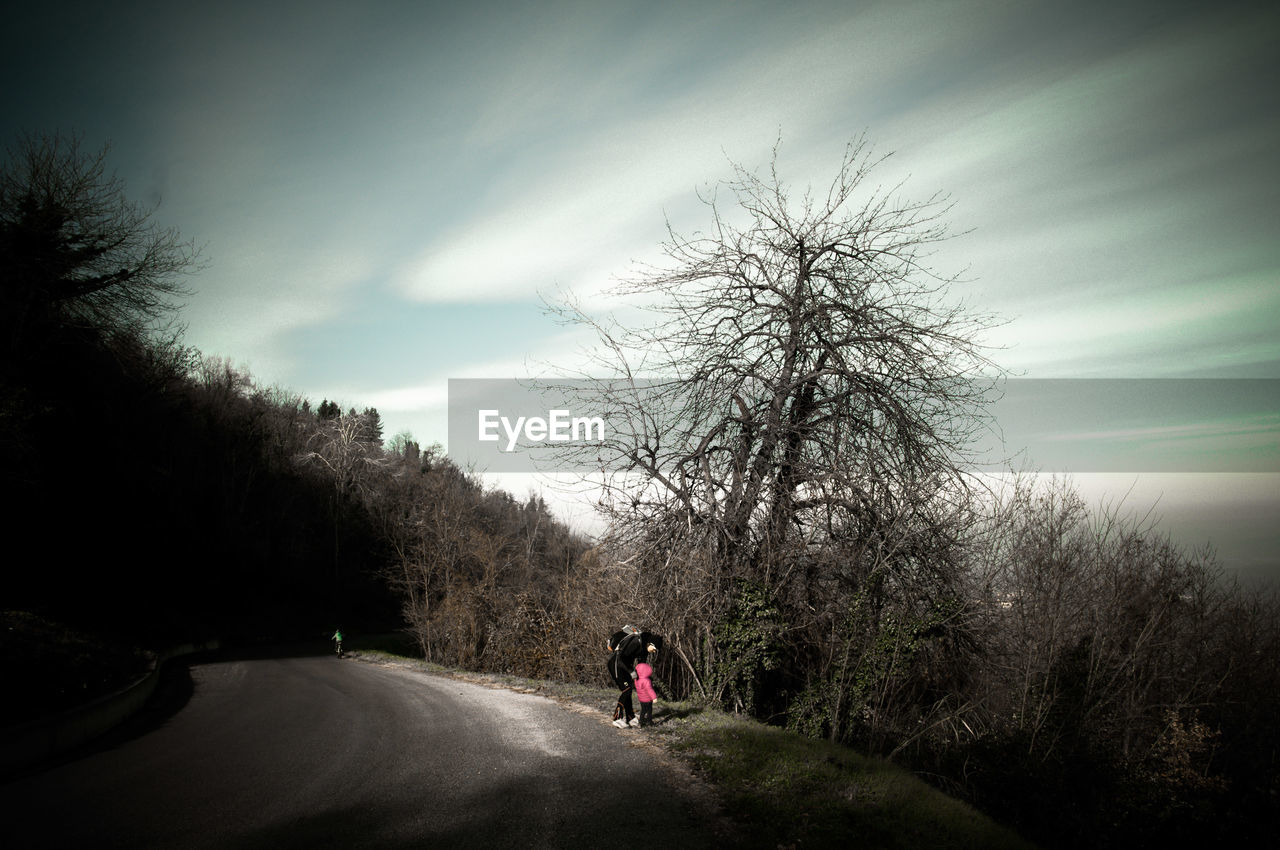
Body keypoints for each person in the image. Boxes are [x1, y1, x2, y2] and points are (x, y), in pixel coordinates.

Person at [606, 626, 663, 727]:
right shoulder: (636, 642)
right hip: (616, 664)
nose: (654, 651)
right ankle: (617, 718)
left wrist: (642, 678)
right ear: (651, 644)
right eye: (654, 649)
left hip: (626, 666)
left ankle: (630, 717)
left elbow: (641, 665)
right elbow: (620, 659)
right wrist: (631, 671)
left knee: (629, 690)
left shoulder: (644, 649)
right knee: (626, 689)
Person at [634, 661, 657, 727]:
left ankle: (641, 722)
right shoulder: (646, 680)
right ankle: (649, 722)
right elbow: (649, 690)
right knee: (649, 710)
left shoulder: (637, 679)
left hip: (641, 699)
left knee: (643, 710)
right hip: (647, 699)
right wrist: (654, 697)